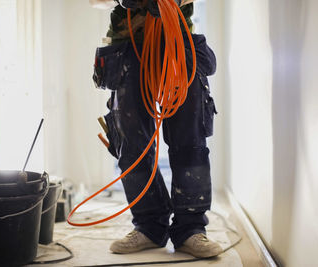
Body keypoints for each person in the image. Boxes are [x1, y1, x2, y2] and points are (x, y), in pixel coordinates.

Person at [90, 0, 221, 258]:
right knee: (131, 146)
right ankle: (149, 227)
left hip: (178, 43)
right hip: (127, 46)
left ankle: (191, 230)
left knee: (190, 140)